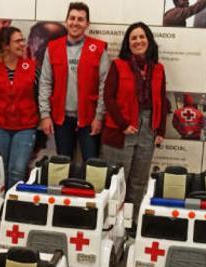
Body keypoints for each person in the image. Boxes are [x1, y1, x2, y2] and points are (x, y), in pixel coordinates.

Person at [101, 22, 170, 206]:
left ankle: (131, 223)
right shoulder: (118, 65)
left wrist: (161, 131)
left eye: (142, 37)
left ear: (149, 41)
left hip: (148, 130)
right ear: (128, 43)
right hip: (121, 130)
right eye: (133, 38)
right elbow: (108, 97)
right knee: (116, 181)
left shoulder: (158, 69)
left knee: (139, 182)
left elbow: (162, 101)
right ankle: (111, 224)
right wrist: (123, 124)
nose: (138, 41)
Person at [38, 2, 110, 160]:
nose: (75, 23)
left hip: (89, 118)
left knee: (91, 165)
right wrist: (45, 115)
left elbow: (105, 86)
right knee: (63, 164)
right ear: (66, 20)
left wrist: (99, 117)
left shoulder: (98, 49)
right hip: (61, 118)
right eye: (72, 18)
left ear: (87, 24)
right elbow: (45, 82)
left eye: (80, 19)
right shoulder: (53, 47)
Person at [0, 27, 40, 189]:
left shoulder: (33, 68)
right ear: (6, 45)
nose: (23, 44)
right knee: (0, 170)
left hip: (25, 127)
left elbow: (38, 95)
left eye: (23, 40)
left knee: (17, 170)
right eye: (18, 41)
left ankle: (11, 206)